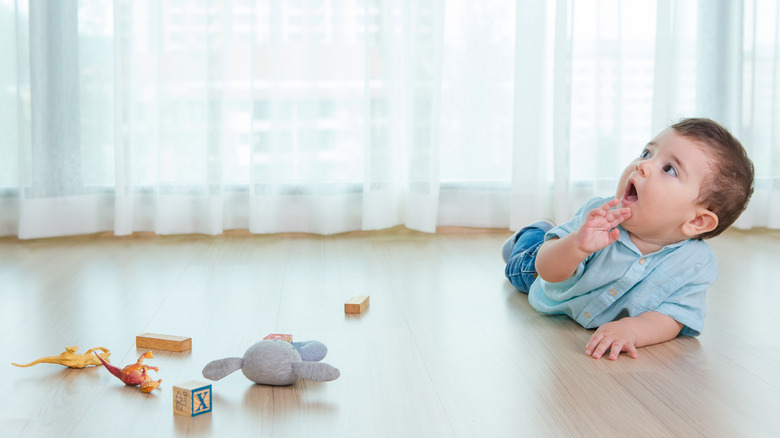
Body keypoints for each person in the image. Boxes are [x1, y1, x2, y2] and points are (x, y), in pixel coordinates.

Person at [503, 118, 754, 360]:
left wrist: (632, 330)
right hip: (540, 274)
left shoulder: (696, 265)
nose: (642, 165)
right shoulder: (600, 218)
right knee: (519, 261)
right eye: (647, 153)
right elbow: (546, 270)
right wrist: (577, 244)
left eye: (669, 169)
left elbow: (673, 316)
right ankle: (535, 231)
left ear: (696, 222)